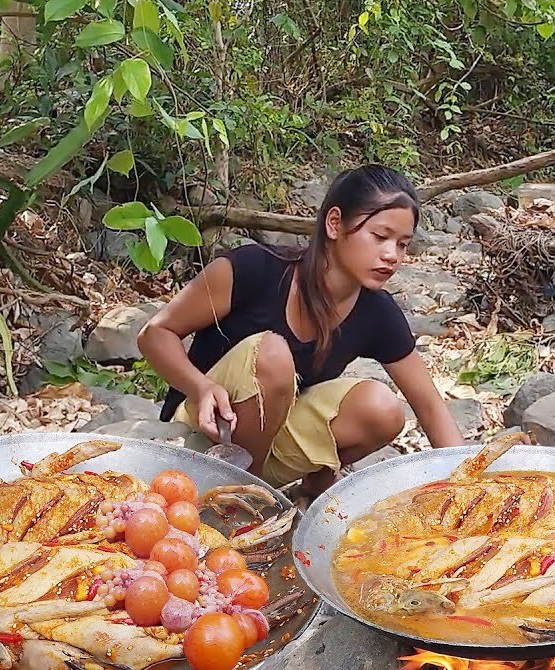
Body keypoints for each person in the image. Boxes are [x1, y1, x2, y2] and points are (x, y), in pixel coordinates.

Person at [138, 165, 464, 498]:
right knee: (273, 355)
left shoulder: (376, 310)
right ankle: (238, 502)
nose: (391, 255)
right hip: (203, 433)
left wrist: (470, 488)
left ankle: (280, 492)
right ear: (335, 223)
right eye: (380, 237)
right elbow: (155, 334)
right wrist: (201, 386)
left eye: (403, 244)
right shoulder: (251, 270)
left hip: (268, 454)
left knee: (382, 408)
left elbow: (429, 405)